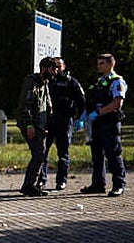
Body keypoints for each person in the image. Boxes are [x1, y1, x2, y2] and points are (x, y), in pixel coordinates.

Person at [80, 52, 128, 197]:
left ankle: (118, 184)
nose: (98, 66)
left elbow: (117, 103)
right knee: (97, 155)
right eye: (98, 63)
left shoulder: (117, 82)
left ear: (111, 64)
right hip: (96, 124)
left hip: (109, 123)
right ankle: (98, 184)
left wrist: (100, 112)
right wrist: (84, 116)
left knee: (113, 154)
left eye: (102, 63)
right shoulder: (99, 82)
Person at [16, 57, 57, 197]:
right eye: (53, 69)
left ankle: (31, 184)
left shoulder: (44, 83)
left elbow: (46, 105)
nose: (55, 72)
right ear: (44, 68)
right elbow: (24, 106)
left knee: (40, 154)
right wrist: (29, 125)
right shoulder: (31, 82)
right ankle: (28, 186)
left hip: (41, 125)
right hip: (31, 124)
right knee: (38, 154)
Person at [47, 57, 86, 191]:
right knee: (42, 152)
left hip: (64, 120)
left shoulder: (71, 82)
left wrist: (81, 119)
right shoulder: (47, 81)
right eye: (54, 66)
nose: (56, 69)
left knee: (63, 152)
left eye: (59, 66)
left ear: (64, 66)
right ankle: (41, 180)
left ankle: (61, 180)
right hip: (48, 120)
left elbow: (81, 101)